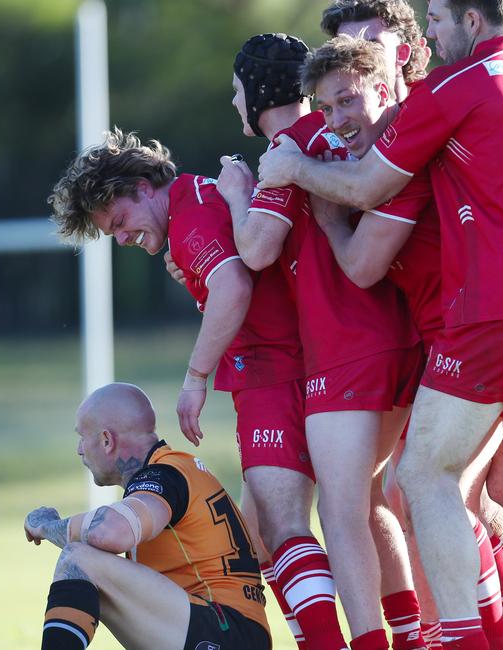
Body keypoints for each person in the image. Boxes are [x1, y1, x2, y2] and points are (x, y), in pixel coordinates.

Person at [256, 0, 503, 647]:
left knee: (424, 480)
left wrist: (295, 175)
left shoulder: (446, 93)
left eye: (435, 18)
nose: (429, 31)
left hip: (502, 313)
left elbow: (367, 217)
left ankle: (464, 640)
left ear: (470, 19)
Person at [48, 123, 347, 650]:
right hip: (293, 363)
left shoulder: (187, 219)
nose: (121, 238)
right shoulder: (198, 202)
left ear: (144, 186)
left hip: (273, 370)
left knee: (285, 531)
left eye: (120, 221)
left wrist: (194, 378)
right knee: (260, 536)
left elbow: (232, 285)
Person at [218, 32, 427, 650]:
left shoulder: (292, 145)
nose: (234, 104)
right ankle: (417, 634)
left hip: (345, 348)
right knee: (375, 499)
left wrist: (234, 198)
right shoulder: (358, 132)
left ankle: (369, 642)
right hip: (405, 337)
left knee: (340, 512)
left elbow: (255, 249)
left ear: (257, 92)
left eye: (236, 91)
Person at [24, 382, 270, 650]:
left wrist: (47, 526)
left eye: (82, 437)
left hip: (225, 628)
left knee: (78, 558)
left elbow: (111, 533)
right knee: (89, 571)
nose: (79, 449)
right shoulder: (174, 469)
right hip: (228, 626)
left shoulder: (164, 474)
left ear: (107, 440)